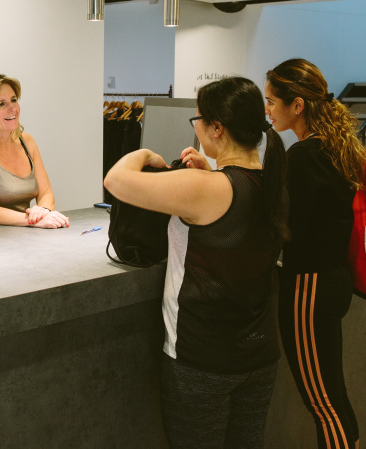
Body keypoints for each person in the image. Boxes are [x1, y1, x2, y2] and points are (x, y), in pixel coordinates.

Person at [104, 77, 287, 449]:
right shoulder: (271, 183)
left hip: (202, 357)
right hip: (259, 353)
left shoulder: (207, 188)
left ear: (217, 128)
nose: (197, 126)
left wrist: (144, 154)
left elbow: (116, 180)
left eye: (198, 119)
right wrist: (210, 173)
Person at [265, 59, 363, 449]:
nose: (268, 110)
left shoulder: (306, 155)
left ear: (297, 105)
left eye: (272, 101)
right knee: (333, 396)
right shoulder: (333, 146)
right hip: (331, 280)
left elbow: (290, 227)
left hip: (309, 286)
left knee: (323, 404)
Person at [0, 73, 69, 228]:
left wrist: (42, 211)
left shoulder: (27, 141)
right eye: (1, 104)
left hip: (27, 230)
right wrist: (34, 221)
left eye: (14, 100)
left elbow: (46, 193)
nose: (12, 108)